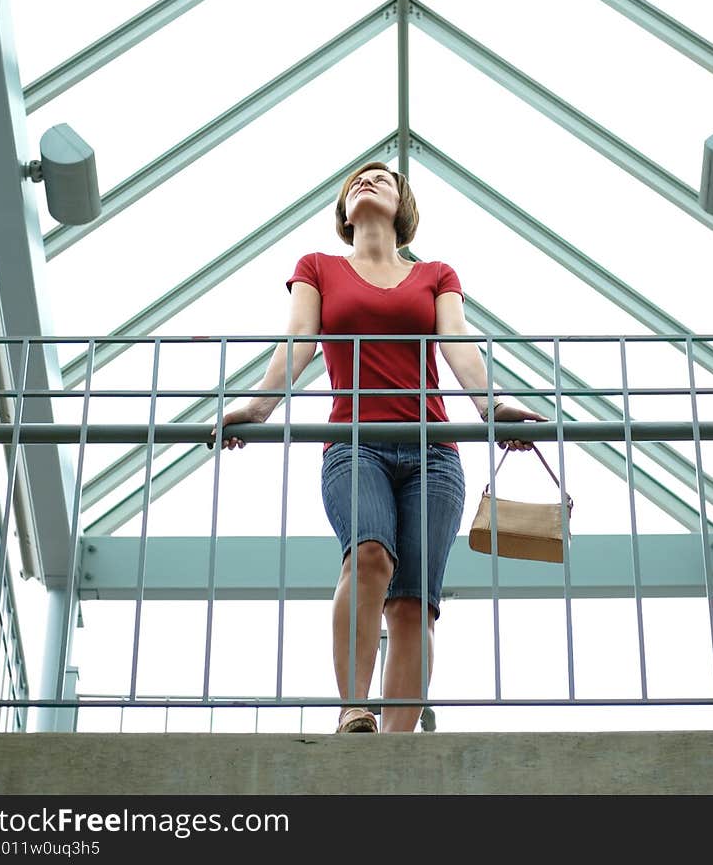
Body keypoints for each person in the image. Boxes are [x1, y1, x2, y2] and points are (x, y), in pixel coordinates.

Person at [215, 160, 545, 733]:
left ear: (403, 207)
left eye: (383, 178)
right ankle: (353, 710)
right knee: (369, 556)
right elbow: (298, 340)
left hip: (434, 453)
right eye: (356, 182)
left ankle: (393, 753)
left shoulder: (436, 275)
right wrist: (258, 407)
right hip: (354, 443)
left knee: (415, 602)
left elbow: (459, 345)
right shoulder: (316, 268)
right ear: (344, 211)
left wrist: (492, 407)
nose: (367, 182)